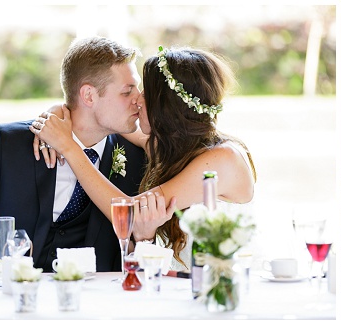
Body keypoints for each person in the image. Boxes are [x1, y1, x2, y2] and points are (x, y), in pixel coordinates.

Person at [32, 46, 257, 271]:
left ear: (166, 106)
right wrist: (60, 112)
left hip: (226, 289)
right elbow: (102, 117)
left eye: (145, 93)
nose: (137, 100)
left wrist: (70, 149)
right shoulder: (169, 146)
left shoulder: (223, 161)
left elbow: (132, 215)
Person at [0, 36, 152, 273]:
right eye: (127, 91)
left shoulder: (136, 159)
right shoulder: (4, 145)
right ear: (88, 95)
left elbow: (136, 257)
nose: (139, 100)